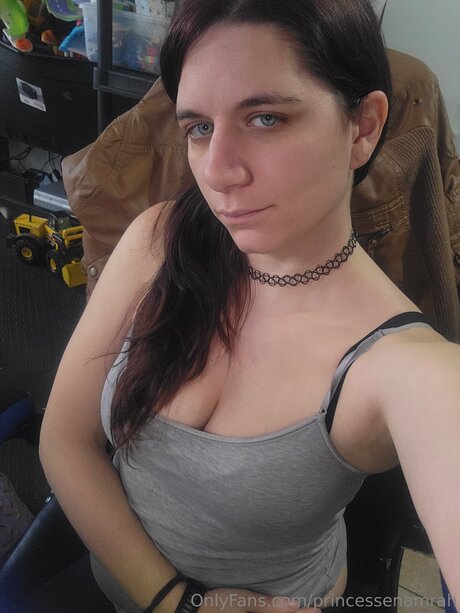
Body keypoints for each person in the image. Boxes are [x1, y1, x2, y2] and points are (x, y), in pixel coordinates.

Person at [39, 0, 460, 612]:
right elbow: (64, 441)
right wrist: (177, 602)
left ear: (363, 127)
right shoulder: (159, 241)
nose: (217, 172)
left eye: (266, 118)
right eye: (199, 128)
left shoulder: (405, 365)